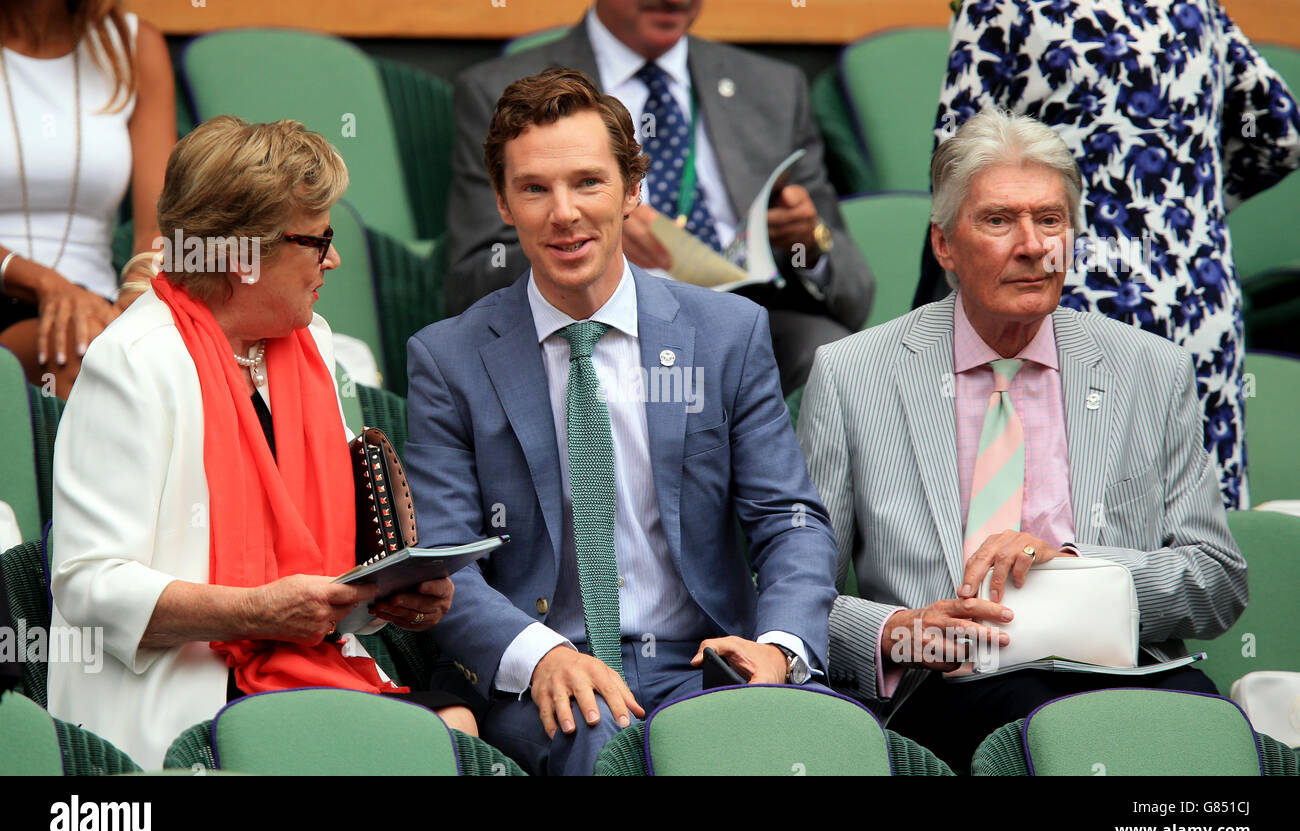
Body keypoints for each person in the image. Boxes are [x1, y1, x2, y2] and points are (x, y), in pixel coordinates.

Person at [406, 68, 838, 776]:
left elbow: (788, 518)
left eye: (588, 183)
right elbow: (447, 563)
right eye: (535, 189)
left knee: (817, 738)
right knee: (599, 740)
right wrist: (540, 653)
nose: (563, 213)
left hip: (703, 661)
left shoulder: (726, 333)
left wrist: (780, 644)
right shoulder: (449, 357)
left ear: (634, 190)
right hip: (547, 668)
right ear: (503, 203)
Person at [798, 108, 1247, 772]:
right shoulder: (851, 375)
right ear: (945, 245)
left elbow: (1218, 580)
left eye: (1051, 220)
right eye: (999, 220)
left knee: (1210, 738)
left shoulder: (1150, 370)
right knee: (1041, 729)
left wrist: (1078, 568)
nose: (1034, 245)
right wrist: (901, 631)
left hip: (1127, 674)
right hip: (950, 688)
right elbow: (796, 588)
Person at [47, 117, 473, 769]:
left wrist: (385, 601)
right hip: (187, 693)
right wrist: (253, 610)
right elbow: (88, 585)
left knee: (456, 722)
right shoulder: (132, 362)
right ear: (245, 254)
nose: (333, 259)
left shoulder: (312, 344)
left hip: (301, 670)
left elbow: (313, 586)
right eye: (318, 240)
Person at [918, 0, 1300, 509]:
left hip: (1072, 287)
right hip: (1197, 293)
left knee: (1062, 532)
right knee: (1203, 533)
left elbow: (956, 167)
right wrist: (1190, 213)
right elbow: (1281, 132)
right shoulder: (1196, 6)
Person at [445, 0, 874, 394]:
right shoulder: (500, 91)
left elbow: (856, 293)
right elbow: (470, 283)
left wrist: (807, 244)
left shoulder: (774, 89)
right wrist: (591, 239)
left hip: (745, 317)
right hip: (589, 319)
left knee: (826, 351)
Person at [0, 0, 175, 399]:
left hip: (99, 304)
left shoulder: (134, 45)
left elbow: (158, 220)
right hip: (12, 291)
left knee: (139, 352)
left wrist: (134, 304)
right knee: (79, 351)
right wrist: (47, 284)